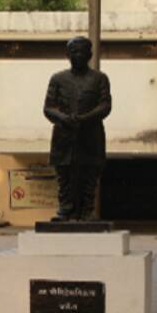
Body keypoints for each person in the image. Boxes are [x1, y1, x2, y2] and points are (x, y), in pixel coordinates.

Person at [43, 37, 111, 221]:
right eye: (74, 52)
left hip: (91, 136)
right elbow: (48, 107)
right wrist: (64, 118)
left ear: (90, 54)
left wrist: (85, 118)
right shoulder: (57, 79)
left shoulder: (99, 79)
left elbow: (105, 105)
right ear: (67, 55)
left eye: (82, 52)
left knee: (89, 177)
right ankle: (65, 210)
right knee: (64, 176)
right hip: (64, 137)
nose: (78, 55)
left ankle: (87, 211)